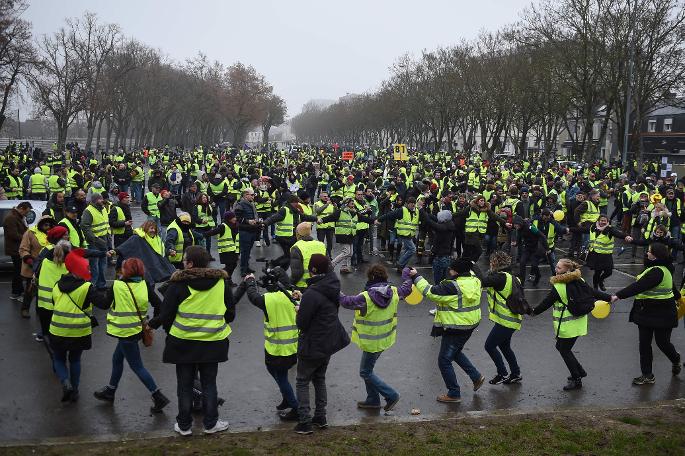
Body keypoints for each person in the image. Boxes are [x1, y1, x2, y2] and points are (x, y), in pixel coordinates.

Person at [148, 246, 234, 436]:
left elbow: (166, 314)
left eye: (185, 259)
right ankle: (211, 424)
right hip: (213, 342)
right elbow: (230, 313)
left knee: (185, 385)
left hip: (183, 343)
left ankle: (184, 425)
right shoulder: (221, 283)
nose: (182, 262)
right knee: (209, 384)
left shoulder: (178, 285)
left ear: (191, 263)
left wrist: (171, 332)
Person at [93, 258, 170, 413]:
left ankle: (158, 395)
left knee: (137, 366)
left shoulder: (117, 285)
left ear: (126, 271)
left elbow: (103, 304)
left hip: (124, 331)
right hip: (135, 330)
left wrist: (89, 291)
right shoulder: (145, 285)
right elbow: (160, 305)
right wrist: (152, 322)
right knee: (117, 359)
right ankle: (110, 390)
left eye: (122, 267)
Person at [410, 258, 485, 403]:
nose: (449, 271)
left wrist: (416, 276)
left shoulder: (453, 286)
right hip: (470, 324)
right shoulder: (474, 280)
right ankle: (476, 377)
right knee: (455, 352)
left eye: (451, 269)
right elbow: (476, 271)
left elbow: (430, 292)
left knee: (444, 360)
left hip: (456, 327)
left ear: (456, 271)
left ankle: (454, 393)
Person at [339, 264, 412, 411]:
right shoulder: (394, 292)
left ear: (371, 278)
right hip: (385, 340)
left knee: (365, 372)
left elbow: (346, 301)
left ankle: (391, 395)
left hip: (371, 342)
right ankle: (372, 399)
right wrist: (408, 276)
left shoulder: (365, 298)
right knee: (368, 370)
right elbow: (407, 289)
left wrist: (333, 288)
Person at [530, 258, 611, 390]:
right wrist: (609, 297)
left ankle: (576, 378)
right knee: (561, 347)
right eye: (556, 267)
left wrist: (533, 312)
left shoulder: (559, 287)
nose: (556, 270)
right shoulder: (580, 280)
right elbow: (593, 292)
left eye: (559, 268)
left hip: (568, 326)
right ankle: (580, 371)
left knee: (564, 350)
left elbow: (546, 303)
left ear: (567, 270)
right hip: (579, 322)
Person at [293, 254, 350, 434]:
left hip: (312, 344)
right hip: (328, 342)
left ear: (313, 270)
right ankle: (320, 415)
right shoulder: (331, 286)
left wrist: (299, 308)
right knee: (319, 378)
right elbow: (322, 308)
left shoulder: (313, 293)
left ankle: (304, 421)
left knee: (302, 381)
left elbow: (302, 322)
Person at [611, 243, 682, 385]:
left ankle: (675, 359)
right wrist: (679, 297)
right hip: (645, 312)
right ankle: (647, 374)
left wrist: (618, 296)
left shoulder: (658, 271)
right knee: (644, 344)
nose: (647, 254)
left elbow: (639, 286)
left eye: (649, 252)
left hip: (663, 313)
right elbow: (672, 288)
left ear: (656, 255)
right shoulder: (656, 268)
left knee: (662, 343)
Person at [48, 249, 107, 402]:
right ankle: (74, 390)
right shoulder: (87, 287)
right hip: (79, 331)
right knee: (75, 360)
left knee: (59, 359)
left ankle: (65, 382)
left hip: (57, 329)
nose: (88, 269)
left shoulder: (56, 285)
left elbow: (54, 303)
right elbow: (103, 303)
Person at [243, 267, 300, 421]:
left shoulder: (271, 298)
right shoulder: (295, 295)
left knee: (280, 376)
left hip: (277, 348)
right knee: (276, 372)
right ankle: (287, 398)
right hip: (291, 346)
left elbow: (253, 297)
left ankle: (295, 407)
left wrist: (250, 281)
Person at [474, 251, 523, 385]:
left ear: (495, 263)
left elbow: (483, 281)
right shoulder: (511, 277)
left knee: (489, 346)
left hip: (506, 321)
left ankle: (502, 373)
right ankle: (515, 373)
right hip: (511, 318)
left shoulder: (501, 278)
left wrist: (474, 265)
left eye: (491, 262)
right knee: (504, 347)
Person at [18, 215, 55, 318]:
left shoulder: (53, 234)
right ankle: (25, 309)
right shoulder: (30, 233)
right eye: (45, 224)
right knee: (30, 290)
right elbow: (23, 249)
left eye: (50, 225)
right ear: (40, 224)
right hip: (33, 267)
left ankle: (41, 310)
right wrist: (29, 260)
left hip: (49, 267)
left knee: (44, 291)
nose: (48, 227)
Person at [586, 214, 632, 290]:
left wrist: (626, 236)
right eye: (601, 220)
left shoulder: (610, 229)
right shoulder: (593, 227)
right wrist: (569, 229)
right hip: (596, 254)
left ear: (607, 222)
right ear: (598, 221)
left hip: (606, 255)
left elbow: (618, 234)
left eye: (605, 221)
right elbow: (583, 230)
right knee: (597, 272)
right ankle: (595, 288)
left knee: (608, 272)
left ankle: (600, 280)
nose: (603, 222)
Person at [376, 196, 421, 273]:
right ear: (407, 204)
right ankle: (400, 264)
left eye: (414, 203)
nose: (413, 205)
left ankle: (402, 266)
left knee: (407, 249)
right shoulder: (402, 210)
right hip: (403, 233)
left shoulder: (416, 211)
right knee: (412, 249)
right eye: (411, 204)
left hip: (410, 234)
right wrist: (379, 219)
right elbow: (389, 215)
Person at [80, 193, 109, 290]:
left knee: (103, 263)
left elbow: (105, 223)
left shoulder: (103, 209)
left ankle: (101, 284)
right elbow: (85, 227)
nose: (102, 201)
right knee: (95, 265)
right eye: (100, 199)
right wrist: (95, 239)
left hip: (103, 239)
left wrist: (107, 236)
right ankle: (93, 285)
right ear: (95, 200)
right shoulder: (88, 211)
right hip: (94, 242)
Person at [4, 201, 32, 301]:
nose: (26, 214)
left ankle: (18, 292)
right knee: (18, 271)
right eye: (26, 212)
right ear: (21, 208)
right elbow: (13, 234)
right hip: (15, 249)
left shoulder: (19, 217)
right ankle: (16, 292)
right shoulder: (11, 218)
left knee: (19, 270)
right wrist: (26, 239)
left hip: (19, 248)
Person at [203, 211, 240, 285]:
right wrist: (202, 235)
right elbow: (213, 232)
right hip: (225, 250)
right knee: (229, 266)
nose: (235, 219)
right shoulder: (223, 226)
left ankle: (226, 278)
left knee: (233, 265)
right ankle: (219, 277)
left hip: (233, 250)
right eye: (233, 217)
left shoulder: (235, 225)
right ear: (229, 219)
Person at [290, 222, 326, 289]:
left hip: (302, 286)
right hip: (319, 284)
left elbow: (297, 273)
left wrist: (290, 284)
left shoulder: (296, 247)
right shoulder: (321, 245)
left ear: (298, 233)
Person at [234, 188, 261, 276]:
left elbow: (254, 215)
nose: (254, 196)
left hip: (252, 230)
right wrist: (248, 221)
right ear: (246, 195)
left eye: (254, 195)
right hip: (245, 231)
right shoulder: (240, 204)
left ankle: (247, 267)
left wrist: (257, 222)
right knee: (245, 252)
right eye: (252, 195)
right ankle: (243, 269)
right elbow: (237, 218)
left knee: (248, 251)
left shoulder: (251, 204)